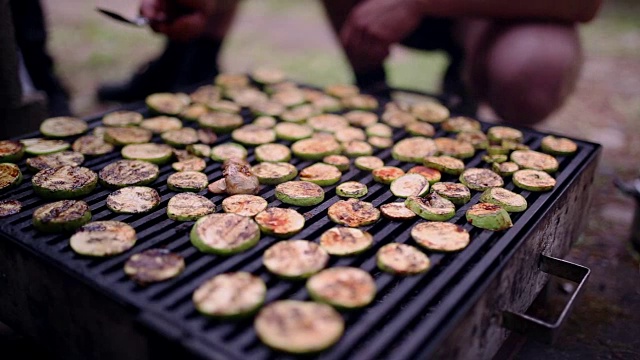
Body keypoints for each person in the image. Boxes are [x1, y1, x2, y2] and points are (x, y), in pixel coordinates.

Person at [123, 0, 602, 125]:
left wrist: (418, 4)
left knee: (534, 71)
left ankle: (467, 81)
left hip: (490, 15)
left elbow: (582, 4)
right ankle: (372, 85)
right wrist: (195, 4)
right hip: (381, 7)